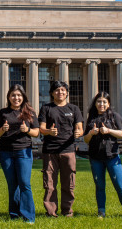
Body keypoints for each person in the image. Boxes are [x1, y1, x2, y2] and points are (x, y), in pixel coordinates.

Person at [0, 84, 40, 224]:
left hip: (23, 150)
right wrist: (3, 129)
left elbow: (36, 132)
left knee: (25, 183)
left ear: (23, 97)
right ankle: (14, 214)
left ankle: (28, 216)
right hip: (6, 152)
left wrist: (26, 130)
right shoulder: (3, 112)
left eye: (19, 95)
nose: (16, 98)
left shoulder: (29, 112)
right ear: (9, 97)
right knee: (12, 184)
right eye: (13, 95)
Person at [83, 91, 122, 221]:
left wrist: (108, 130)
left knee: (119, 185)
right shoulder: (91, 118)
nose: (101, 104)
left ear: (109, 104)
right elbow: (86, 139)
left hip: (112, 156)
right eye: (99, 101)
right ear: (95, 103)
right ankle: (101, 212)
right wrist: (92, 133)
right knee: (99, 186)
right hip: (95, 157)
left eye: (104, 102)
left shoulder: (114, 116)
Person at [38, 80, 84, 218]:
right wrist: (49, 132)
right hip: (50, 150)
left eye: (63, 90)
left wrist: (78, 133)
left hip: (68, 150)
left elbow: (80, 128)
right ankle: (51, 212)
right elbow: (41, 128)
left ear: (67, 93)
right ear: (52, 93)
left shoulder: (74, 109)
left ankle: (67, 211)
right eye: (57, 90)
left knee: (69, 182)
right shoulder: (46, 108)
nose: (60, 92)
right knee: (49, 183)